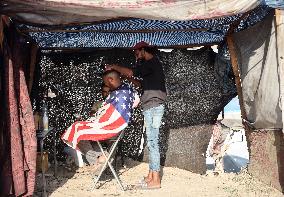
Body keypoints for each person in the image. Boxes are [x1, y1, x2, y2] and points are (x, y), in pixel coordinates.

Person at [106, 41, 167, 189]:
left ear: (143, 50)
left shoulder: (152, 62)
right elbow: (141, 85)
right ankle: (152, 175)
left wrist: (114, 67)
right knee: (151, 141)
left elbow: (132, 72)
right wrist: (128, 79)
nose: (136, 55)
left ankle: (156, 180)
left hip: (154, 106)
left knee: (153, 143)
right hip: (150, 105)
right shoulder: (149, 66)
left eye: (136, 52)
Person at [61, 70, 139, 166]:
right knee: (79, 131)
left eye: (106, 83)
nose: (107, 90)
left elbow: (110, 116)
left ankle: (99, 159)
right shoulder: (126, 91)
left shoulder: (120, 94)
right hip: (112, 128)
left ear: (110, 80)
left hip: (110, 129)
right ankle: (101, 158)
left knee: (77, 129)